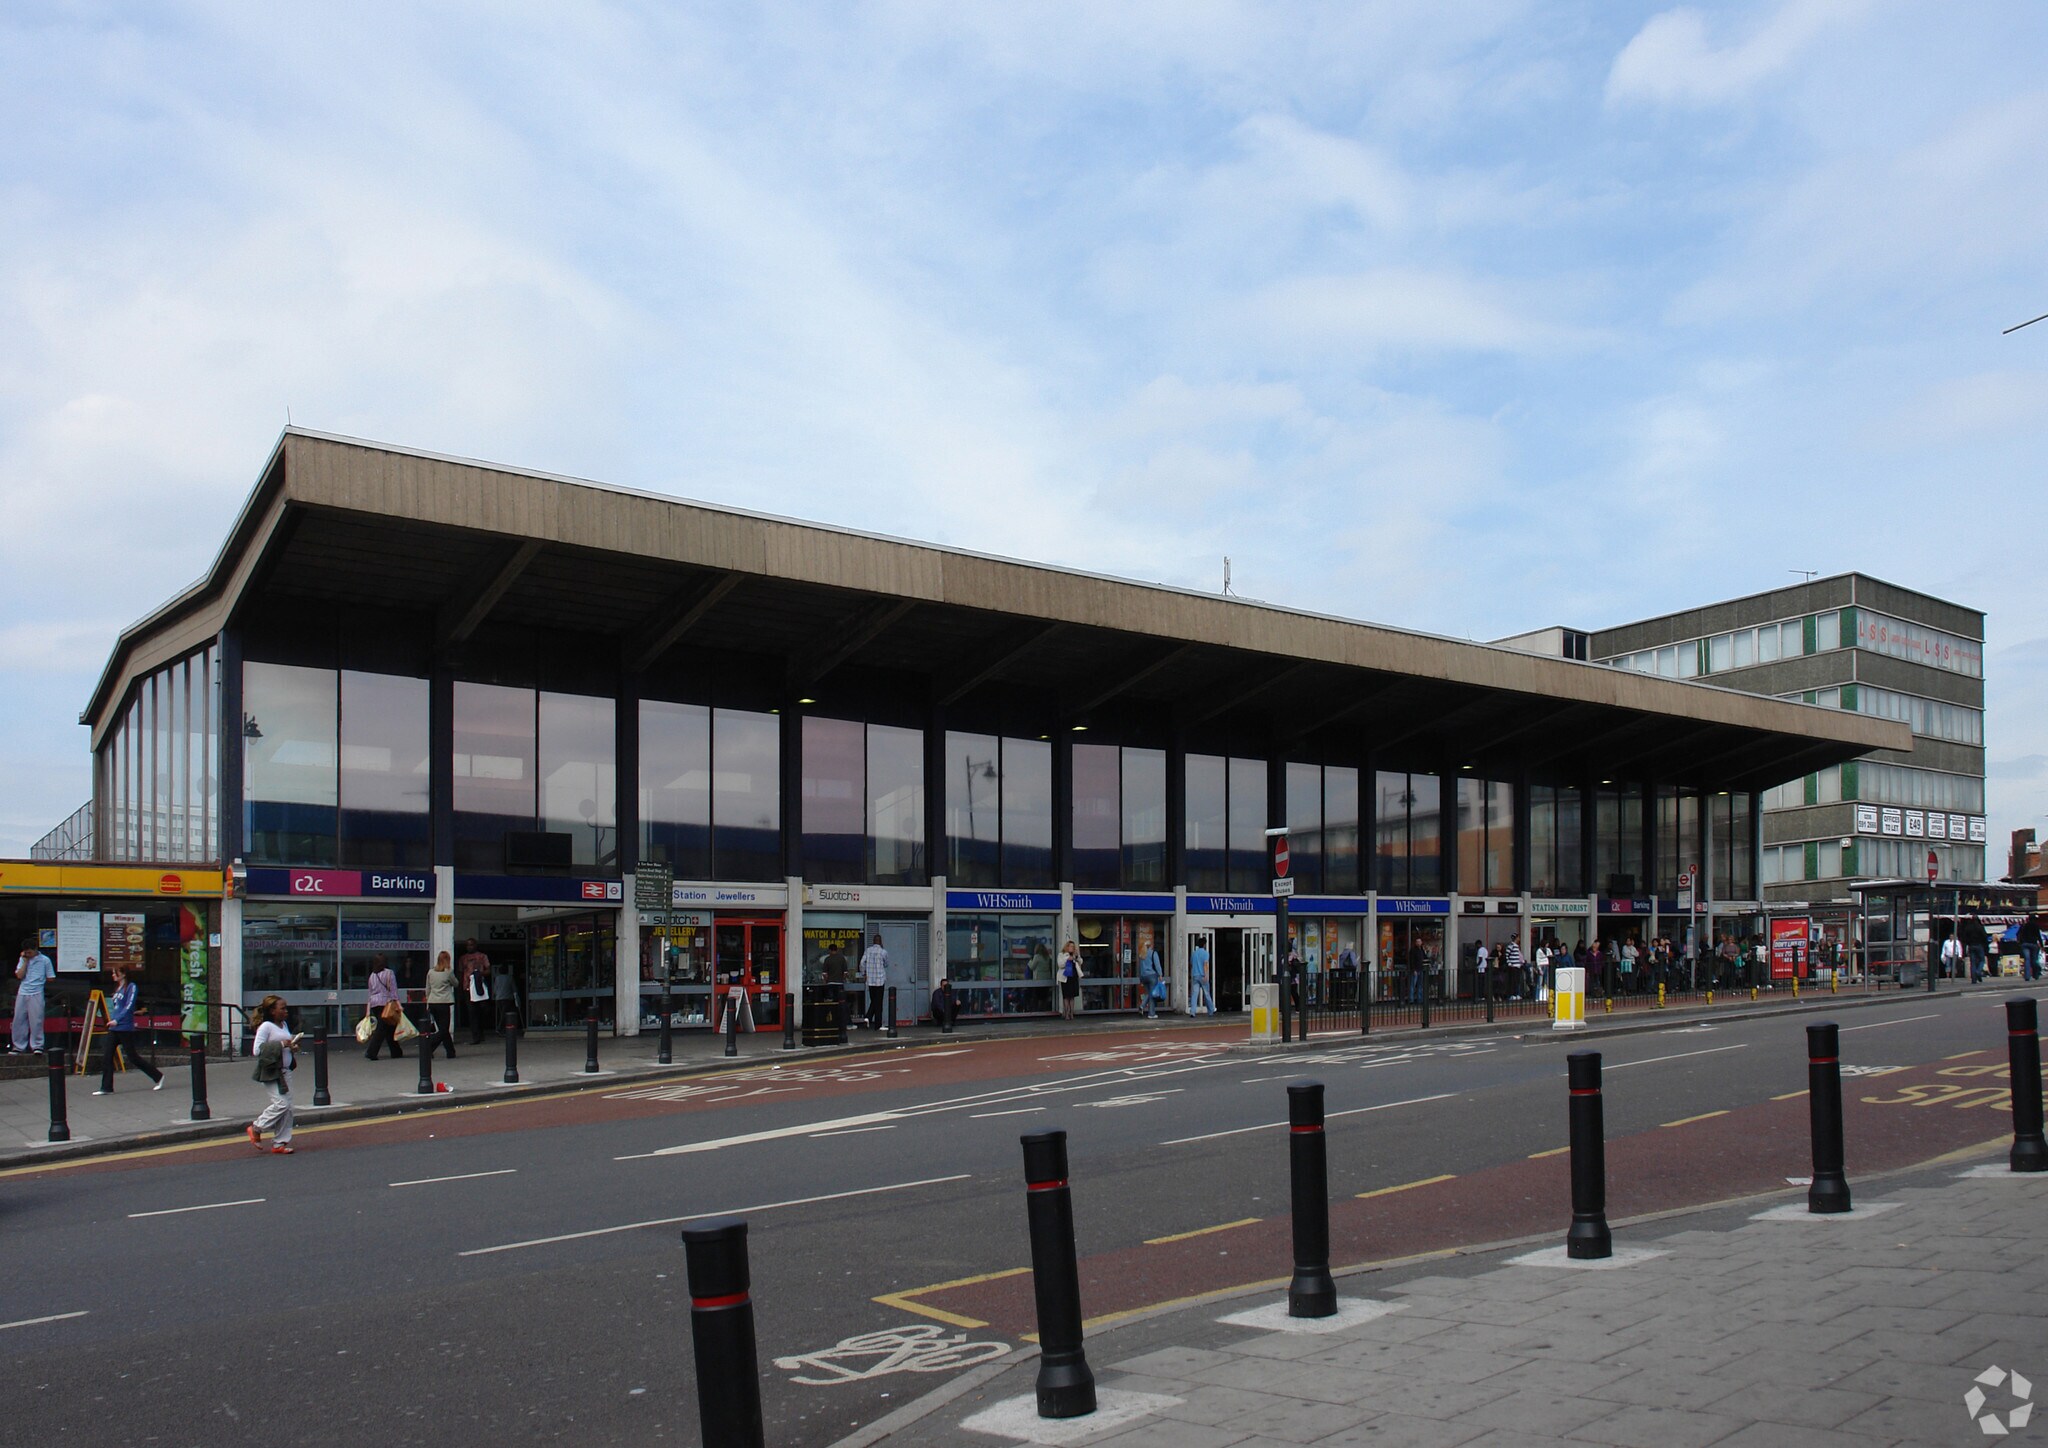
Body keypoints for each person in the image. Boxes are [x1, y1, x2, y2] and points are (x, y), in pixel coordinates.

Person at [94, 959, 165, 1094]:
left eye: (115, 973)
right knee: (107, 1055)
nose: (113, 976)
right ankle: (106, 1087)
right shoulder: (118, 988)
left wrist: (117, 1020)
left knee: (133, 1057)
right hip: (115, 1028)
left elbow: (129, 1006)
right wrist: (113, 1020)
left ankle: (158, 1076)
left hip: (125, 1028)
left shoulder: (131, 987)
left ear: (123, 974)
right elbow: (117, 1007)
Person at [246, 994, 299, 1154]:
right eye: (282, 1008)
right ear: (272, 1011)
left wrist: (292, 1046)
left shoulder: (283, 1025)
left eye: (286, 1008)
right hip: (271, 1072)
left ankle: (279, 1143)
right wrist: (281, 1044)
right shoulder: (266, 1027)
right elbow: (257, 1050)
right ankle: (256, 1128)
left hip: (285, 1071)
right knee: (281, 1104)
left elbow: (284, 1045)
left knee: (288, 1109)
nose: (286, 1011)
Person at [11, 935, 55, 1054]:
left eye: (30, 952)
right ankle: (19, 1046)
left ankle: (37, 1045)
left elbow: (51, 977)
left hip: (37, 991)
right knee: (19, 1019)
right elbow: (19, 975)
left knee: (36, 1020)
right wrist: (25, 961)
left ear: (35, 949)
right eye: (26, 952)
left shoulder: (45, 960)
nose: (28, 954)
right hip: (23, 991)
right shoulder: (23, 959)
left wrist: (41, 979)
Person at [363, 954, 406, 1059]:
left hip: (374, 1004)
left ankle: (396, 1052)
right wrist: (399, 1005)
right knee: (382, 1029)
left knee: (389, 1028)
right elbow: (393, 991)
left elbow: (370, 993)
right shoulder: (389, 973)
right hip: (385, 1003)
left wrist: (368, 1010)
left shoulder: (372, 975)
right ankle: (371, 1052)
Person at [423, 949, 458, 1059]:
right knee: (443, 1030)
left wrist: (428, 1002)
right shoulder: (448, 972)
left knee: (443, 1029)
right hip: (444, 1002)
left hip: (433, 1002)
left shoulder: (430, 972)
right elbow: (456, 983)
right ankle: (428, 1046)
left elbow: (427, 988)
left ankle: (450, 1052)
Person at [458, 939, 492, 1044]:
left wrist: (479, 974)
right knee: (472, 1012)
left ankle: (481, 1032)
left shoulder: (482, 956)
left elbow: (488, 970)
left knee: (482, 1010)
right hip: (467, 988)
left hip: (478, 987)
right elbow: (460, 973)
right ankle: (475, 1036)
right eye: (468, 945)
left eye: (472, 945)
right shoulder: (463, 958)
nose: (470, 947)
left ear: (476, 945)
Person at [859, 934, 889, 1030]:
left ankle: (869, 1018)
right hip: (880, 979)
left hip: (870, 980)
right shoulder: (883, 952)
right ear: (880, 941)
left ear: (873, 941)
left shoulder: (868, 950)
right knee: (878, 1002)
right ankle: (876, 1023)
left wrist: (864, 973)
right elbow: (886, 964)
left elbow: (862, 963)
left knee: (874, 1000)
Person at [1188, 938, 1213, 1015]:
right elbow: (1205, 964)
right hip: (1202, 975)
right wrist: (1206, 975)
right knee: (1207, 994)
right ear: (1204, 944)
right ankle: (1211, 1010)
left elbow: (1191, 964)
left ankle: (1192, 1011)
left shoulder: (1194, 954)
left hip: (1195, 975)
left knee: (1194, 994)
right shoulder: (1206, 953)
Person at [1137, 940, 1162, 1019]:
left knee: (1149, 993)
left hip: (1143, 976)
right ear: (1150, 946)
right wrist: (1160, 974)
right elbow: (1157, 965)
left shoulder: (1141, 954)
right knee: (1152, 995)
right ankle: (1151, 1013)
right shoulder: (1153, 953)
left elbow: (1140, 967)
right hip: (1152, 976)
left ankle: (1143, 1006)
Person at [1058, 941, 1081, 1019]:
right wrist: (1067, 959)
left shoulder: (1075, 955)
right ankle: (1066, 1012)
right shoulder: (1062, 954)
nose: (1072, 948)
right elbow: (1060, 964)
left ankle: (1071, 1012)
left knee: (1072, 996)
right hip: (1065, 977)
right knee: (1066, 996)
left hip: (1073, 977)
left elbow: (1081, 962)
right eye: (1071, 946)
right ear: (1067, 947)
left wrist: (1076, 957)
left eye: (1073, 947)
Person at [2020, 916, 2043, 983]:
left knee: (2027, 959)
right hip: (2033, 944)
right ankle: (2036, 974)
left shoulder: (2024, 925)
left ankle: (2027, 976)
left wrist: (2021, 942)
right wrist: (2041, 945)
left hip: (2025, 944)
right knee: (2034, 960)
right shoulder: (2036, 926)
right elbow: (2038, 936)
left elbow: (2019, 934)